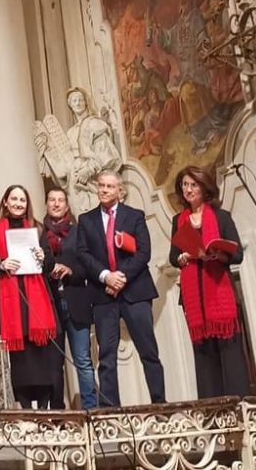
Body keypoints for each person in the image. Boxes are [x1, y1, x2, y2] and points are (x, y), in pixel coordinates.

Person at [75, 170, 165, 407]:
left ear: (119, 191)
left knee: (149, 351)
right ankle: (110, 410)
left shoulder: (134, 216)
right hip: (103, 295)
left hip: (135, 291)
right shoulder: (86, 220)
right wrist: (106, 277)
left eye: (110, 186)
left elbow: (144, 252)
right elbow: (83, 254)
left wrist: (121, 278)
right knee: (106, 356)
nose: (104, 190)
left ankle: (160, 404)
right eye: (101, 185)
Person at [169, 165, 248, 398]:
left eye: (193, 185)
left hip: (219, 291)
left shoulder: (221, 217)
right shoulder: (178, 220)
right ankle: (212, 412)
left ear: (204, 188)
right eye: (184, 185)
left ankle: (240, 406)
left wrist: (220, 255)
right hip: (195, 301)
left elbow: (238, 254)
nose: (188, 189)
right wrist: (182, 257)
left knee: (231, 354)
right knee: (203, 356)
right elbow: (173, 256)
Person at [0, 184, 60, 410]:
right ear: (5, 202)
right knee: (20, 359)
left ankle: (43, 408)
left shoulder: (38, 228)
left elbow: (50, 264)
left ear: (27, 204)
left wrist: (44, 258)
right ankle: (25, 409)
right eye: (13, 199)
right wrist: (1, 264)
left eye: (22, 200)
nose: (17, 203)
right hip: (12, 300)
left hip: (37, 298)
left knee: (42, 356)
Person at [43, 185, 96, 409]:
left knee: (83, 360)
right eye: (52, 200)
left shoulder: (78, 232)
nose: (56, 204)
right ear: (46, 204)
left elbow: (88, 266)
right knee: (54, 363)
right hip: (49, 303)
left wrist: (70, 271)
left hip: (76, 301)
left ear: (67, 205)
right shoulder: (37, 234)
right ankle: (57, 412)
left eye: (60, 200)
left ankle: (90, 410)